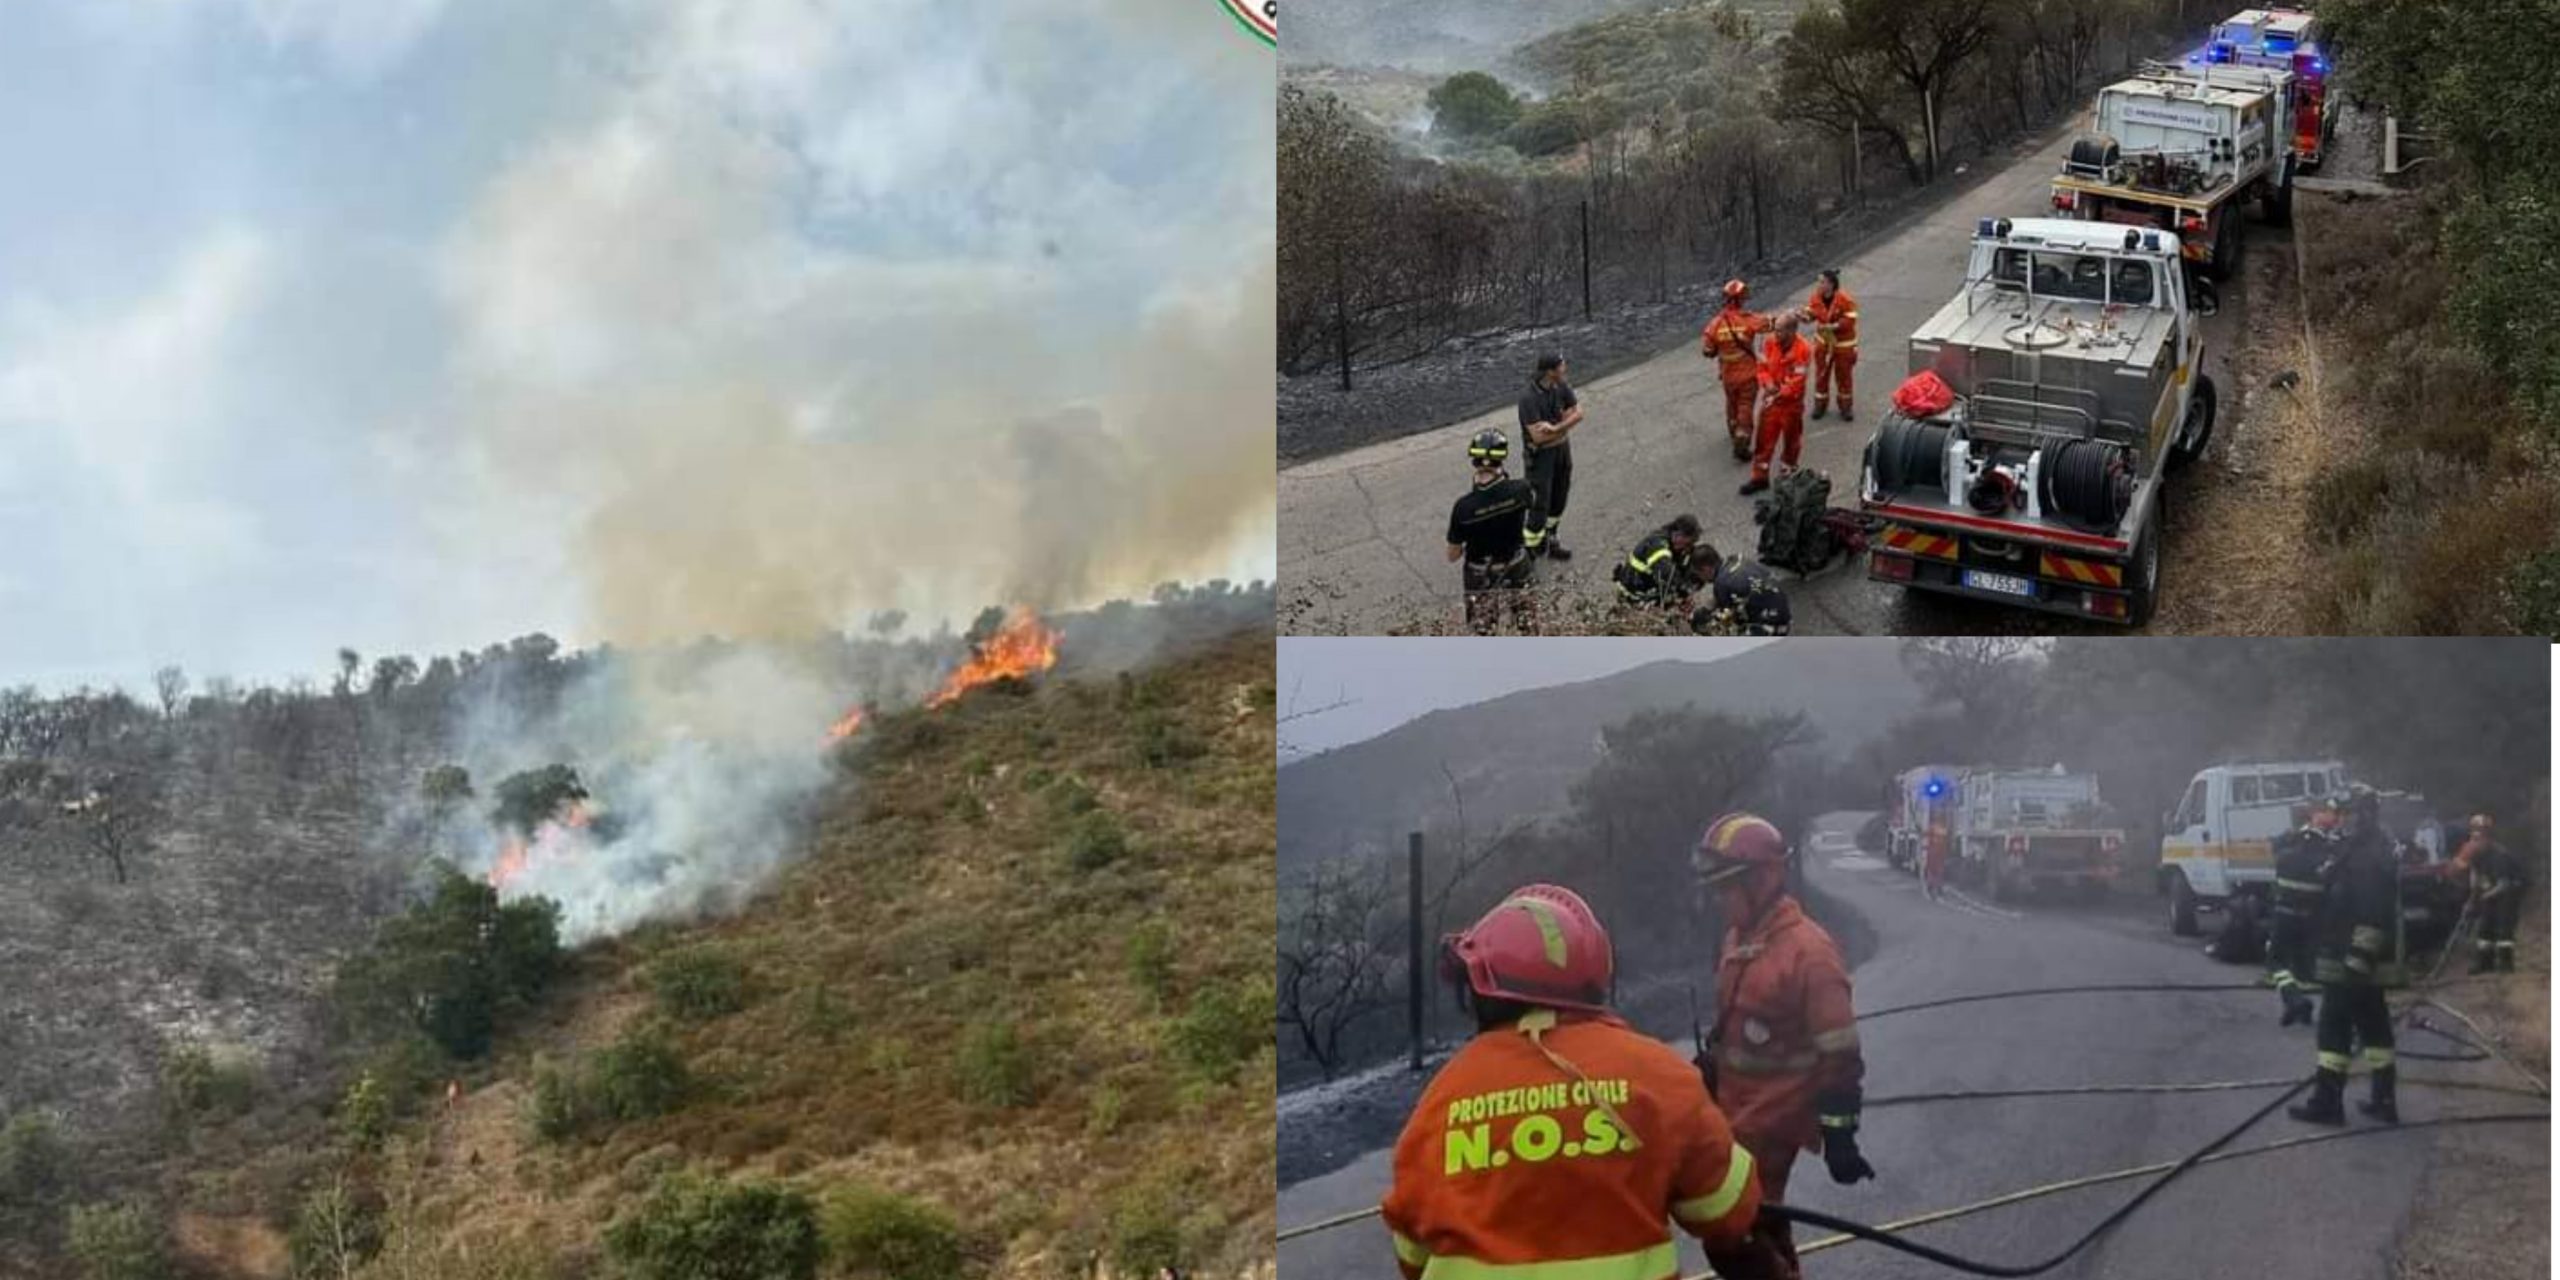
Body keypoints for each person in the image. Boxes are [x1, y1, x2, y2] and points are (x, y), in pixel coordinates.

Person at [1382, 885, 1793, 1280]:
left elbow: (1412, 1255)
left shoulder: (1440, 1102)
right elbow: (1727, 1208)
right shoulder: (1659, 1075)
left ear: (1482, 990)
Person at [1694, 813, 1873, 1273]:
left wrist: (1840, 1134)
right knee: (1756, 1231)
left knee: (1735, 1232)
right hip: (1735, 1112)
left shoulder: (1809, 954)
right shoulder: (1740, 937)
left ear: (1764, 878)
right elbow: (1738, 1020)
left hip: (1774, 1120)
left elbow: (1841, 1052)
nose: (1721, 899)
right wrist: (1710, 1068)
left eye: (1727, 887)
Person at [2289, 786, 2400, 1126]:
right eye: (2338, 814)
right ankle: (2384, 1100)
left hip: (2351, 959)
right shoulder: (2364, 848)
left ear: (2362, 816)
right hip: (2362, 958)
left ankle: (2327, 1103)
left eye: (2345, 813)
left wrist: (2357, 958)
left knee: (2333, 1028)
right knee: (2374, 1026)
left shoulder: (2366, 856)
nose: (2339, 820)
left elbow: (2371, 910)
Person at [1447, 428, 1543, 635]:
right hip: (1516, 562)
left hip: (1480, 571)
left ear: (1474, 460)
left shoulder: (1464, 507)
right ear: (1502, 459)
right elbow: (1532, 502)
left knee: (1483, 626)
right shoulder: (1521, 489)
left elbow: (1452, 555)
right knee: (1526, 618)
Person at [2266, 800, 2338, 1026]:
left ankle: (2295, 1000)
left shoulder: (2287, 847)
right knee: (2305, 965)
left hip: (2285, 915)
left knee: (2276, 961)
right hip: (2313, 920)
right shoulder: (2329, 852)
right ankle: (2296, 1005)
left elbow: (2274, 846)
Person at [1517, 354, 1582, 561]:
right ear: (1550, 371)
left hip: (1562, 451)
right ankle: (1530, 551)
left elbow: (1579, 412)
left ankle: (1551, 538)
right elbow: (1538, 437)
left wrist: (1556, 428)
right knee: (1539, 504)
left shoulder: (1561, 386)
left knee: (1559, 498)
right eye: (1562, 366)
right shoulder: (1529, 398)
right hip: (1541, 458)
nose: (1565, 369)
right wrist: (1566, 424)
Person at [1741, 314, 1814, 497]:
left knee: (1792, 441)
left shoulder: (1803, 349)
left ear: (1792, 331)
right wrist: (1767, 383)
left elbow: (1797, 381)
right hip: (1771, 402)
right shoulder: (1770, 342)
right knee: (1764, 440)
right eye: (1776, 329)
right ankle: (1760, 477)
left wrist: (1778, 392)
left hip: (1791, 405)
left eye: (1780, 330)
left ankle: (1787, 477)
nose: (1775, 333)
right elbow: (1762, 367)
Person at [1701, 280, 1767, 462]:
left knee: (1732, 404)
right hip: (1747, 374)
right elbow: (1769, 324)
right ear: (1742, 299)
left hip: (1728, 376)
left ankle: (1733, 431)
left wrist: (1719, 349)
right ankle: (1742, 436)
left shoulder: (1716, 323)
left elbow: (1707, 349)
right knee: (1745, 405)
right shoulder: (1748, 319)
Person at [2451, 813, 2526, 974]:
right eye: (2474, 835)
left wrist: (2481, 898)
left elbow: (2503, 884)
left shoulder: (2499, 855)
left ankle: (2506, 963)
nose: (2475, 840)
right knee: (2485, 927)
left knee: (2503, 928)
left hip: (2508, 892)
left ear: (2488, 837)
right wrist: (2471, 900)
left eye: (2480, 836)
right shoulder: (2477, 854)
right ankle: (2485, 962)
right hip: (2491, 891)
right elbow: (2475, 876)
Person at [1615, 515, 1712, 615]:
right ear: (1678, 536)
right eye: (1688, 544)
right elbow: (1667, 573)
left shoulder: (1675, 546)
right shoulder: (1657, 545)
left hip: (1648, 586)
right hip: (1635, 594)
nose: (1688, 549)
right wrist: (1683, 594)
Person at [1803, 270, 1859, 422]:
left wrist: (1835, 326)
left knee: (1844, 376)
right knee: (1821, 375)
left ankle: (1845, 407)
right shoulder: (1816, 297)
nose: (1819, 285)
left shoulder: (1844, 300)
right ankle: (1820, 405)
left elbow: (1850, 320)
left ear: (1831, 284)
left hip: (1843, 345)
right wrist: (1803, 317)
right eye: (1819, 282)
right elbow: (1811, 313)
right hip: (1824, 344)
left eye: (1822, 282)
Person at [1699, 559, 1793, 637]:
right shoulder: (1735, 559)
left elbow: (1729, 615)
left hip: (1768, 624)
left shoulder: (1721, 584)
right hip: (1783, 612)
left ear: (1706, 569)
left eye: (1699, 574)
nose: (1701, 578)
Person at [1920, 812, 1950, 902]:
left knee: (1933, 872)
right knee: (1937, 873)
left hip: (1934, 853)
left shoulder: (1933, 828)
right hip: (1937, 854)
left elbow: (1925, 834)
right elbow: (1945, 842)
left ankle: (1933, 890)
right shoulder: (1943, 829)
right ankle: (1936, 890)